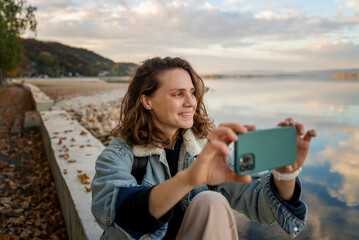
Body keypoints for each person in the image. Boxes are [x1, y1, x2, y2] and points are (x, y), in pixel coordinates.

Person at [91, 56, 317, 240]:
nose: (191, 102)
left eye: (192, 92)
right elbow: (113, 212)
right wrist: (188, 179)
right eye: (178, 94)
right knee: (210, 199)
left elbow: (260, 206)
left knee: (211, 201)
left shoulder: (204, 146)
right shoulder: (119, 155)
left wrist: (285, 174)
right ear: (147, 101)